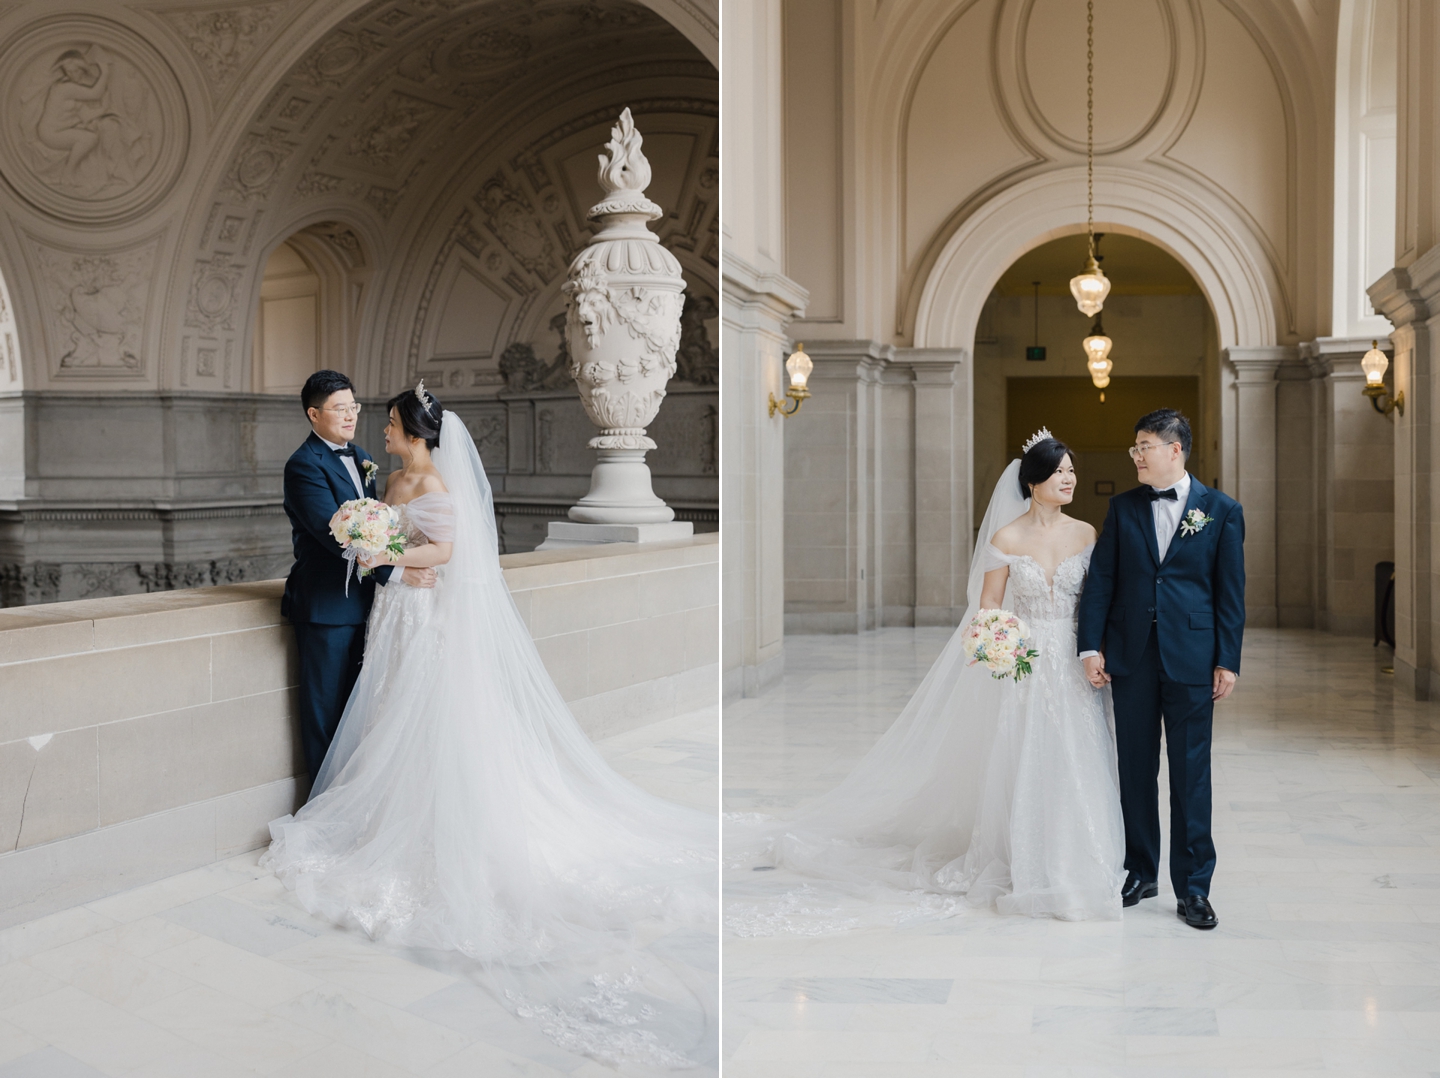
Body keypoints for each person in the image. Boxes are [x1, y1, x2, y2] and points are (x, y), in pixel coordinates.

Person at [264, 383, 716, 1069]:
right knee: (388, 716)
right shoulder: (386, 475)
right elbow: (381, 532)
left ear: (415, 432)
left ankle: (430, 831)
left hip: (420, 614)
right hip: (392, 616)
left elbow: (446, 554)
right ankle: (382, 817)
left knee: (421, 719)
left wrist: (390, 555)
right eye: (372, 420)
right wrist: (381, 549)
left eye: (387, 423)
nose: (378, 431)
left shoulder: (435, 479)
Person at [727, 429, 1125, 928]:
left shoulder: (1086, 533)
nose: (1069, 479)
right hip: (1024, 665)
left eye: (1071, 471)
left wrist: (1097, 648)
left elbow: (1099, 599)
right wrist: (1000, 646)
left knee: (1075, 753)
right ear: (1033, 481)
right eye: (1059, 471)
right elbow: (989, 608)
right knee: (1026, 754)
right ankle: (1023, 853)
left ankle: (1076, 854)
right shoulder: (1007, 539)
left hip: (1072, 658)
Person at [1078, 409, 1245, 930]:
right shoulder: (1122, 508)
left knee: (1192, 775)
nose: (1136, 455)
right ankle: (1139, 870)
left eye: (1144, 445)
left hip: (1193, 659)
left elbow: (1230, 592)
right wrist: (1089, 647)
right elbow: (1101, 580)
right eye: (1134, 446)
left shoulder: (1221, 510)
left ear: (1176, 449)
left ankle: (1194, 887)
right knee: (1135, 770)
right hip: (1131, 656)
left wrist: (1227, 658)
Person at [280, 370, 434, 786]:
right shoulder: (302, 465)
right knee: (325, 716)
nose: (350, 416)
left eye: (353, 407)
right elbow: (333, 534)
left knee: (361, 716)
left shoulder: (363, 455)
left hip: (370, 604)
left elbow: (376, 527)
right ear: (314, 414)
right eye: (339, 409)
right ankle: (321, 810)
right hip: (327, 606)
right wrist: (398, 571)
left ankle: (352, 806)